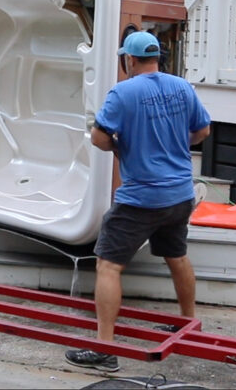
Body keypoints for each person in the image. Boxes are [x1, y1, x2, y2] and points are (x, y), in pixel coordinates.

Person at [65, 31, 211, 372]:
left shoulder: (123, 92)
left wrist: (118, 146)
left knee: (108, 265)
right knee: (177, 256)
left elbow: (99, 137)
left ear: (129, 60)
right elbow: (202, 131)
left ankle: (104, 349)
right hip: (179, 194)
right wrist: (175, 142)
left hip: (141, 197)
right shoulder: (183, 87)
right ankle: (186, 324)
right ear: (157, 56)